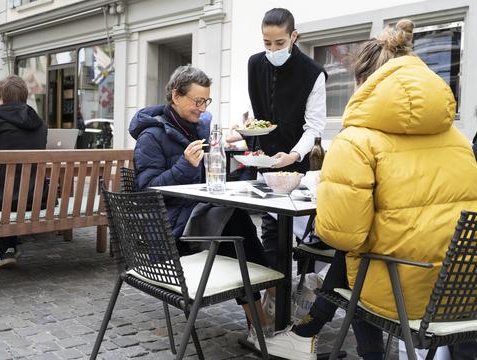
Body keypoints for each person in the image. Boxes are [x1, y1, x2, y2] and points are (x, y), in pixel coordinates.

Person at [264, 19, 477, 360]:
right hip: (461, 288)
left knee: (356, 259)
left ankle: (339, 344)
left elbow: (340, 235)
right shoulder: (458, 141)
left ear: (363, 81)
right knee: (362, 257)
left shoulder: (356, 140)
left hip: (403, 291)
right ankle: (310, 332)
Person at [129, 65, 274, 345]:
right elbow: (146, 192)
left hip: (193, 213)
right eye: (197, 101)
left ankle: (265, 309)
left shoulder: (197, 129)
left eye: (206, 101)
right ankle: (262, 318)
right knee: (232, 225)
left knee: (234, 218)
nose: (202, 107)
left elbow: (203, 179)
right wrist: (185, 165)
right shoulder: (151, 136)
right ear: (176, 96)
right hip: (168, 228)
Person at [245, 8, 327, 275]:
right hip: (265, 163)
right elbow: (259, 117)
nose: (273, 49)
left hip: (298, 167)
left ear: (293, 36)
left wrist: (293, 155)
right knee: (271, 232)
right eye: (267, 43)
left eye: (279, 43)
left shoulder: (312, 73)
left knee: (306, 237)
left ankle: (306, 299)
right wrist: (247, 131)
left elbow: (314, 126)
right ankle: (274, 296)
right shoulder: (255, 64)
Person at [0, 75, 47, 268]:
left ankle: (5, 248)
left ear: (1, 96)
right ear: (24, 95)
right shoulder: (39, 122)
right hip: (34, 196)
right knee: (8, 189)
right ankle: (8, 246)